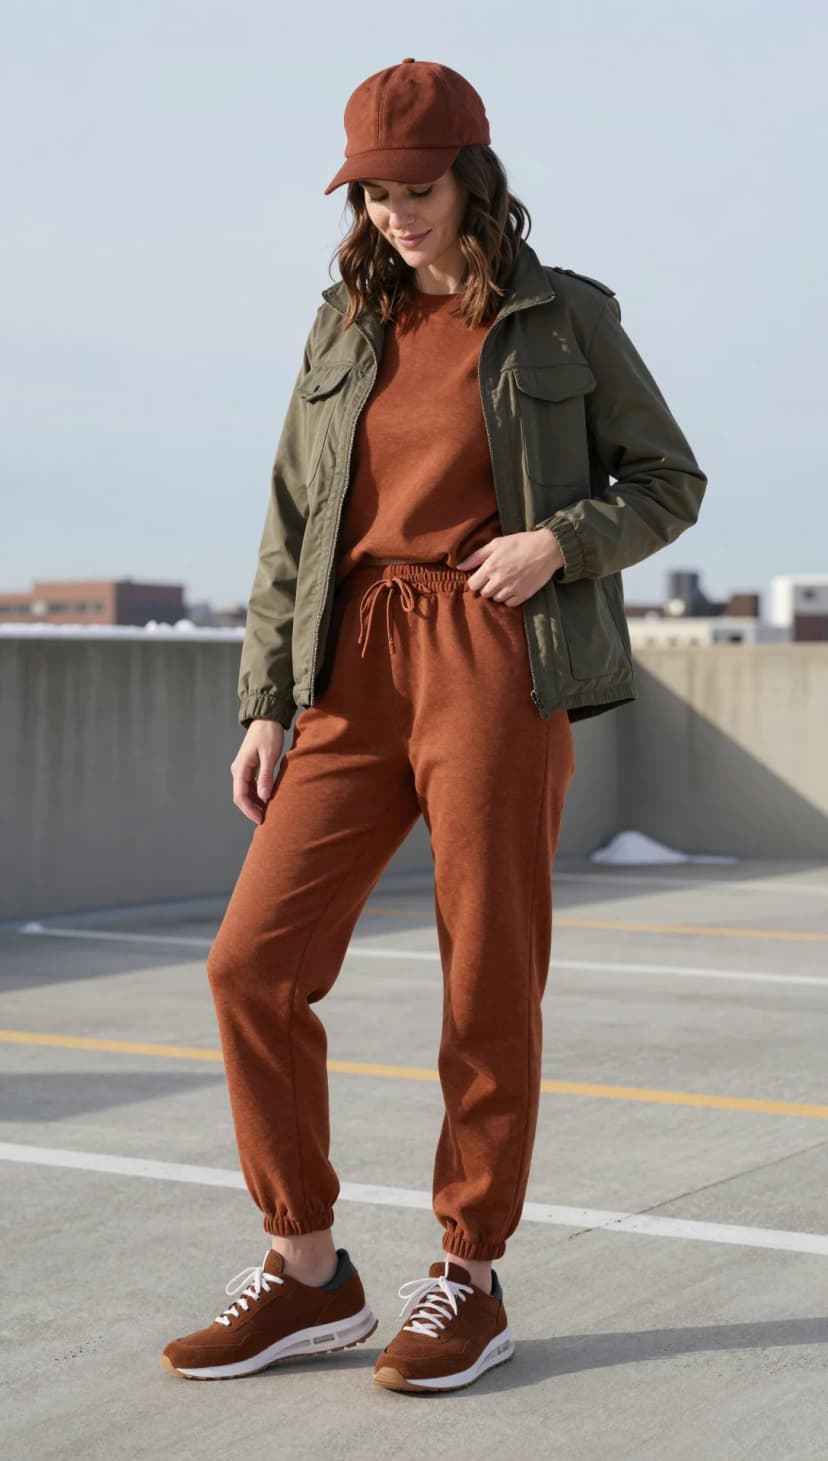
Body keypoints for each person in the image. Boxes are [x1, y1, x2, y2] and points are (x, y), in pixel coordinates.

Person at [161, 58, 707, 1392]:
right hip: (352, 662)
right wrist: (267, 701)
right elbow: (295, 524)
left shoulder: (561, 316)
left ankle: (468, 1270)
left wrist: (556, 544)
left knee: (485, 968)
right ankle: (308, 1270)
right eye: (372, 192)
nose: (395, 212)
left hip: (489, 651)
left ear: (473, 173)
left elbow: (668, 480)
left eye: (415, 187)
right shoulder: (344, 324)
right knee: (251, 962)